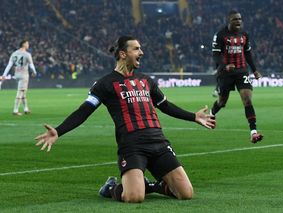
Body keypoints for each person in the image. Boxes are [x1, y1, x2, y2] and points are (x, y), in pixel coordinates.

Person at [35, 36, 216, 203]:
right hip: (132, 146)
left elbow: (165, 105)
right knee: (133, 197)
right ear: (123, 54)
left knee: (186, 193)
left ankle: (150, 185)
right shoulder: (104, 84)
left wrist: (193, 117)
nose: (141, 52)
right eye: (136, 49)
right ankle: (112, 187)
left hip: (159, 142)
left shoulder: (146, 81)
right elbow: (84, 111)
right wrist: (59, 131)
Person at [210, 10, 263, 143]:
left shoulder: (244, 35)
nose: (238, 21)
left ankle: (253, 132)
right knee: (222, 102)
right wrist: (225, 65)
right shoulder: (220, 35)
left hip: (241, 71)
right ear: (229, 21)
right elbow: (216, 54)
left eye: (240, 19)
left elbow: (248, 53)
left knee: (247, 99)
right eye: (235, 19)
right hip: (225, 73)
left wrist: (255, 70)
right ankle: (211, 114)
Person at [1, 39, 37, 115]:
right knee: (20, 92)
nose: (28, 45)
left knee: (23, 92)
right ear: (23, 44)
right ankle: (15, 110)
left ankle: (26, 109)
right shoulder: (27, 54)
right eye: (27, 43)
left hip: (16, 74)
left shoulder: (14, 53)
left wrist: (4, 75)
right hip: (24, 75)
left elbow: (9, 65)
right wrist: (34, 72)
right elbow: (31, 65)